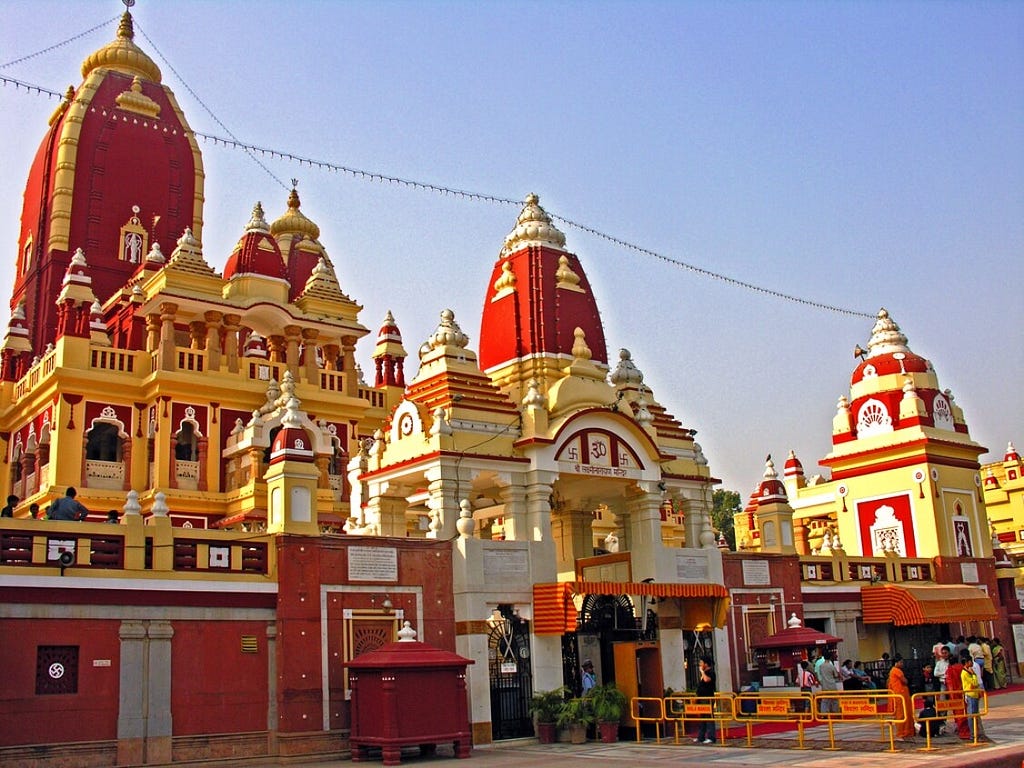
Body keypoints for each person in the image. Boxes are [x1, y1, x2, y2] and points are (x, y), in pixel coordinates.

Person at [887, 654, 914, 739]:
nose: (902, 664)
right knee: (902, 713)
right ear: (896, 663)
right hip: (900, 694)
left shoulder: (893, 671)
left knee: (904, 713)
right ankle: (903, 732)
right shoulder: (897, 671)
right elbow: (905, 681)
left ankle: (906, 731)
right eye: (901, 662)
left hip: (900, 694)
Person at [945, 650, 970, 739]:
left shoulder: (950, 670)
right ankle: (967, 730)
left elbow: (949, 684)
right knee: (966, 713)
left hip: (955, 695)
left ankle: (963, 732)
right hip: (964, 693)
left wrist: (951, 696)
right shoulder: (962, 668)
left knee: (959, 715)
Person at [693, 657, 716, 744]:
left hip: (708, 698)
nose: (700, 664)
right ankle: (701, 737)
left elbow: (707, 680)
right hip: (701, 698)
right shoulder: (705, 673)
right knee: (702, 718)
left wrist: (702, 672)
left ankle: (711, 737)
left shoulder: (711, 673)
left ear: (706, 664)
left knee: (709, 717)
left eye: (701, 663)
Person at [961, 650, 983, 740]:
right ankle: (973, 734)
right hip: (971, 694)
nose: (971, 663)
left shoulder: (970, 671)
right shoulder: (965, 673)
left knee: (975, 714)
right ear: (967, 662)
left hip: (975, 694)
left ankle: (976, 733)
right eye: (970, 661)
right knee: (972, 715)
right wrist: (973, 675)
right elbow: (974, 683)